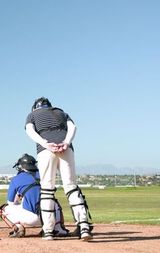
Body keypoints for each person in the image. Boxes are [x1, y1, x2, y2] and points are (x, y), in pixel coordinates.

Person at [25, 97, 93, 241]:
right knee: (71, 187)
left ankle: (48, 231)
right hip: (66, 148)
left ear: (35, 107)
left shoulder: (32, 115)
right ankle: (84, 226)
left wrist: (45, 143)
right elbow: (73, 127)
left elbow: (30, 131)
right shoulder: (61, 112)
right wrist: (67, 142)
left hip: (46, 150)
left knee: (47, 190)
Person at [0, 154, 69, 238]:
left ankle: (19, 228)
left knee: (3, 209)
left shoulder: (16, 179)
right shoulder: (44, 175)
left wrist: (19, 199)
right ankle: (58, 228)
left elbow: (10, 202)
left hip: (30, 219)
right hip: (49, 217)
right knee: (55, 202)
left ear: (22, 166)